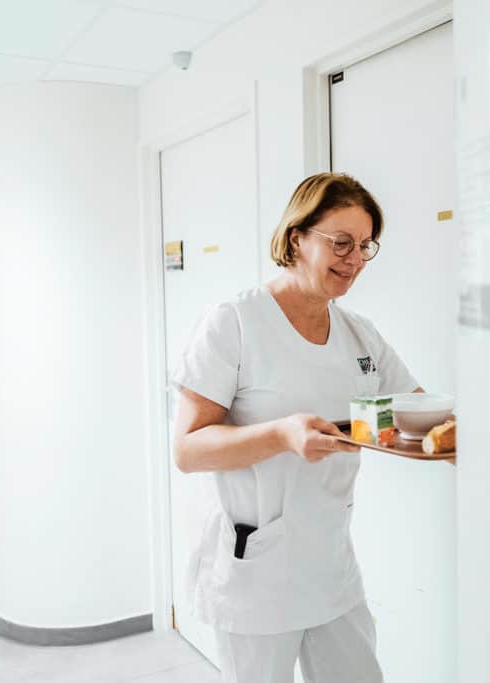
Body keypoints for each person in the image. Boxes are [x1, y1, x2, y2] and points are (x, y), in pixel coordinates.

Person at [172, 172, 420, 683]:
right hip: (256, 569)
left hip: (331, 562)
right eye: (341, 242)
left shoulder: (359, 334)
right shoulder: (235, 322)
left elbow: (415, 408)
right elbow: (188, 449)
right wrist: (282, 435)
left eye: (365, 246)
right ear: (297, 238)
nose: (355, 259)